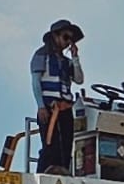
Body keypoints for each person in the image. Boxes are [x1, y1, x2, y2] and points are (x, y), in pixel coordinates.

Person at [30, 19, 84, 173]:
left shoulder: (67, 62)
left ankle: (62, 174)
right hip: (49, 107)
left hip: (65, 109)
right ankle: (43, 174)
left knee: (66, 146)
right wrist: (41, 106)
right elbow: (35, 82)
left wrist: (75, 58)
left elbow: (79, 79)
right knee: (50, 146)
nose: (68, 42)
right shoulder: (41, 55)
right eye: (66, 37)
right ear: (55, 36)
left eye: (70, 39)